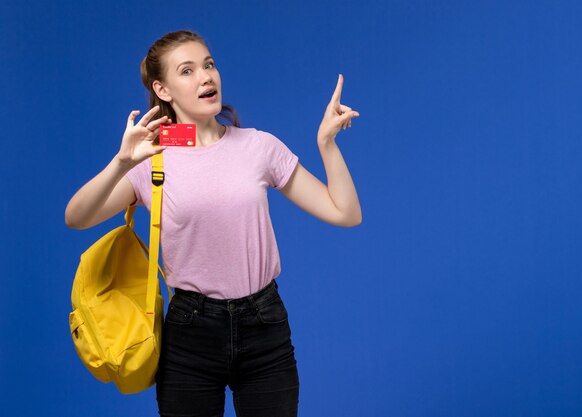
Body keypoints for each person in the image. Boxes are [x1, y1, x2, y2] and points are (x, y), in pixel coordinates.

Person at [65, 30, 361, 417]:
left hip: (265, 324)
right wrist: (121, 162)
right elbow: (77, 217)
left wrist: (327, 145)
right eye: (187, 71)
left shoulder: (258, 146)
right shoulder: (152, 156)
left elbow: (345, 213)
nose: (206, 76)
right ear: (163, 89)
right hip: (190, 330)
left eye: (209, 64)